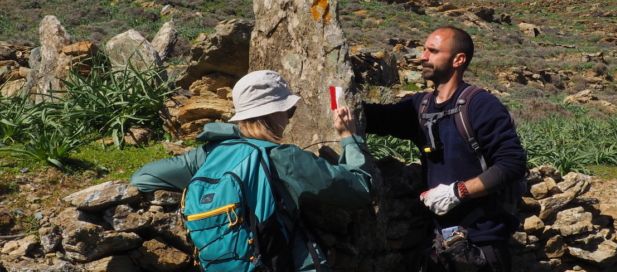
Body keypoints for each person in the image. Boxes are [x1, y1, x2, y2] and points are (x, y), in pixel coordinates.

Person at [131, 70, 373, 271]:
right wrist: (349, 139)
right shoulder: (283, 157)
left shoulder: (209, 155)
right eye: (288, 110)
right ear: (274, 112)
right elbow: (360, 189)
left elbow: (143, 178)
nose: (289, 118)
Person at [364, 26, 527, 271]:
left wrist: (459, 191)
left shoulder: (480, 105)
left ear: (458, 59)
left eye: (433, 50)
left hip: (481, 242)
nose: (423, 56)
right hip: (438, 244)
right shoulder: (421, 106)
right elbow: (376, 118)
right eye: (424, 49)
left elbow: (512, 163)